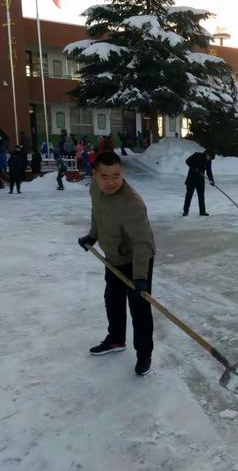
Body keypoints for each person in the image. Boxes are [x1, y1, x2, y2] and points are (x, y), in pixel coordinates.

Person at [77, 152, 156, 375]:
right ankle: (116, 340)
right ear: (94, 175)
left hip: (137, 259)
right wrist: (93, 236)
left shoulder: (131, 203)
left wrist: (140, 278)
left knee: (139, 308)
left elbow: (143, 243)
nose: (111, 182)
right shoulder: (95, 189)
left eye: (116, 176)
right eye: (105, 176)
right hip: (113, 257)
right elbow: (98, 215)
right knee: (112, 299)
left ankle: (144, 354)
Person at [183, 149, 215, 216]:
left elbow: (209, 171)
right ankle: (185, 211)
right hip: (191, 178)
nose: (209, 159)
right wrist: (194, 168)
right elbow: (187, 161)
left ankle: (202, 212)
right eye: (209, 157)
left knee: (201, 196)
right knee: (189, 195)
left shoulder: (208, 161)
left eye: (211, 159)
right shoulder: (197, 155)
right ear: (207, 154)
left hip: (200, 180)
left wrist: (211, 180)